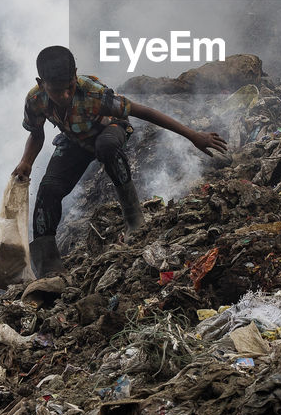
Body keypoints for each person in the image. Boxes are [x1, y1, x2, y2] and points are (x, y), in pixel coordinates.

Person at [11, 45, 227, 276]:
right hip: (75, 141)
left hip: (110, 130)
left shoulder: (94, 94)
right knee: (47, 190)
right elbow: (36, 133)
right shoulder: (36, 100)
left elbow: (144, 112)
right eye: (56, 91)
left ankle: (134, 219)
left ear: (75, 75)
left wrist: (193, 135)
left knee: (106, 146)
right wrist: (26, 161)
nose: (65, 95)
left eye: (69, 87)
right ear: (41, 83)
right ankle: (48, 271)